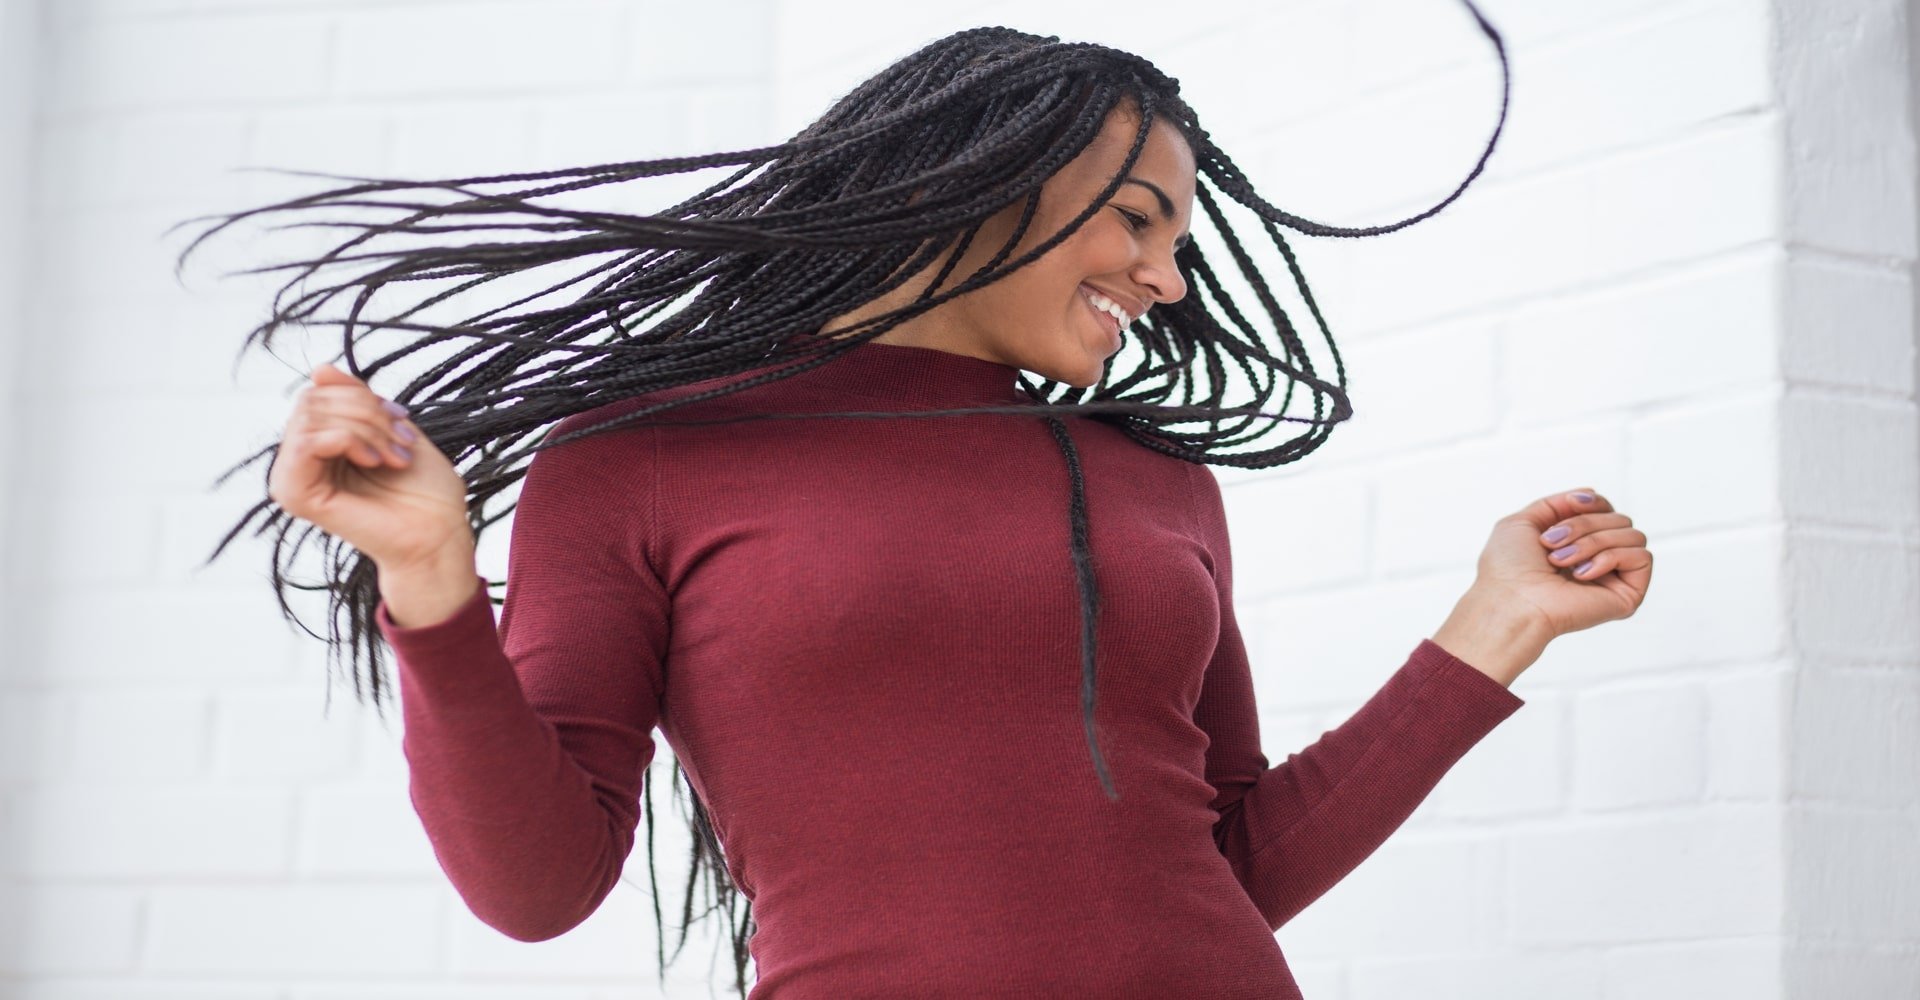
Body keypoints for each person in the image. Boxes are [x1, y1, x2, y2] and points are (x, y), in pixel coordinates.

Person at [173, 13, 1652, 1000]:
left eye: (1181, 241)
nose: (1167, 279)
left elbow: (1234, 864)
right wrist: (433, 579)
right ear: (975, 173)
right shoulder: (640, 459)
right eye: (1139, 218)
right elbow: (541, 886)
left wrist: (1495, 624)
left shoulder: (1157, 482)